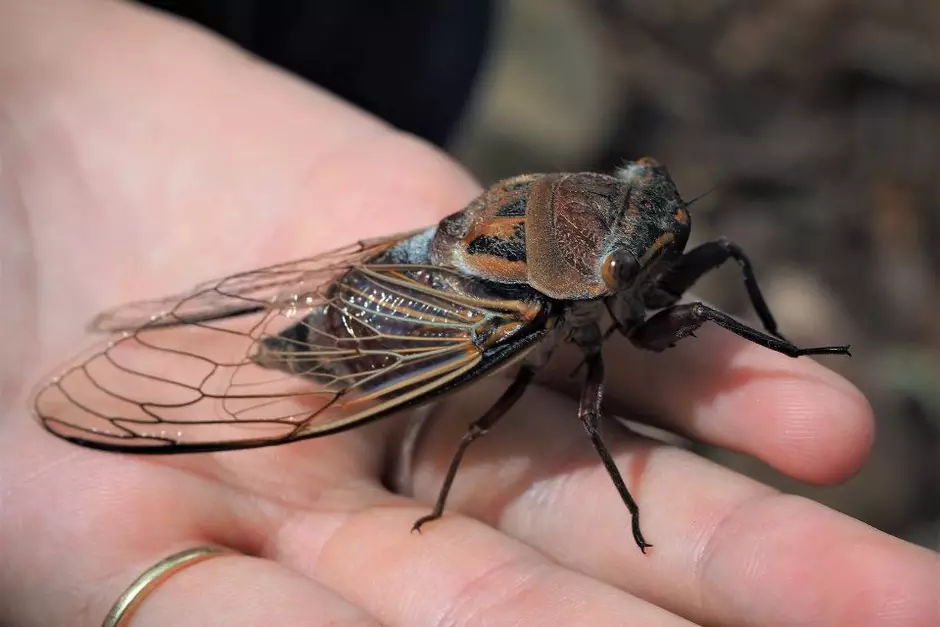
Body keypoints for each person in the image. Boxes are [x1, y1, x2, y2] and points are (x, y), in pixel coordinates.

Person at [0, 2, 936, 626]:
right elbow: (565, 417)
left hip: (399, 68)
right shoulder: (523, 312)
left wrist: (777, 344)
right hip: (385, 331)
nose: (658, 267)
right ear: (592, 264)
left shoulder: (589, 228)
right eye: (627, 267)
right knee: (521, 411)